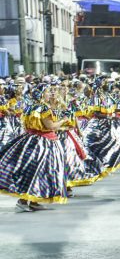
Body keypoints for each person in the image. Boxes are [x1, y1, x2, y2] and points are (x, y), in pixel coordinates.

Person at [0, 84, 70, 212]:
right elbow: (51, 126)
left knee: (33, 171)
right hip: (44, 144)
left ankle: (33, 201)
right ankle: (24, 200)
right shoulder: (43, 108)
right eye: (48, 92)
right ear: (43, 94)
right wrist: (64, 120)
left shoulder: (30, 107)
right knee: (41, 171)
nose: (50, 94)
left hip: (31, 139)